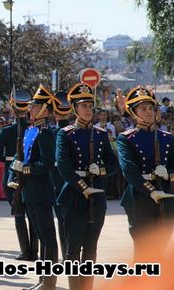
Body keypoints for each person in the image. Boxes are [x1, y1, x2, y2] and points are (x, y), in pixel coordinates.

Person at [56, 83, 119, 290]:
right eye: (83, 106)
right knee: (73, 249)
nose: (88, 110)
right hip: (74, 196)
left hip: (97, 197)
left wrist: (99, 170)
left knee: (91, 249)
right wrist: (83, 186)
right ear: (74, 109)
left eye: (90, 106)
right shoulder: (65, 134)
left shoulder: (100, 134)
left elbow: (113, 164)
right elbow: (63, 165)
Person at [116, 86, 174, 260]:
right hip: (140, 200)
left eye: (150, 108)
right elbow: (129, 170)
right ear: (133, 113)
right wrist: (151, 191)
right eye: (143, 108)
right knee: (143, 253)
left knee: (161, 253)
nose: (148, 112)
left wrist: (168, 174)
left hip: (166, 199)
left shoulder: (167, 138)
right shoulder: (126, 139)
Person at [10, 85, 58, 290]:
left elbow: (46, 164)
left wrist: (25, 168)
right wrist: (15, 167)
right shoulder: (31, 130)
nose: (31, 109)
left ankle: (49, 281)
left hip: (40, 190)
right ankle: (42, 279)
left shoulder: (45, 133)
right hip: (28, 191)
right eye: (31, 106)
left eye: (35, 106)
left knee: (48, 238)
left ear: (45, 110)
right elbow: (21, 155)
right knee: (39, 236)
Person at [0, 90, 39, 262]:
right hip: (30, 174)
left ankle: (25, 251)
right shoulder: (33, 128)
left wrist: (10, 160)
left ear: (13, 109)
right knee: (33, 214)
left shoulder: (6, 131)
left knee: (19, 214)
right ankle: (34, 251)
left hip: (13, 176)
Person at [51, 91, 72, 260]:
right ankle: (70, 254)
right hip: (73, 182)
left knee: (62, 221)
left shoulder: (52, 132)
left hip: (57, 183)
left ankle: (67, 255)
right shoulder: (73, 132)